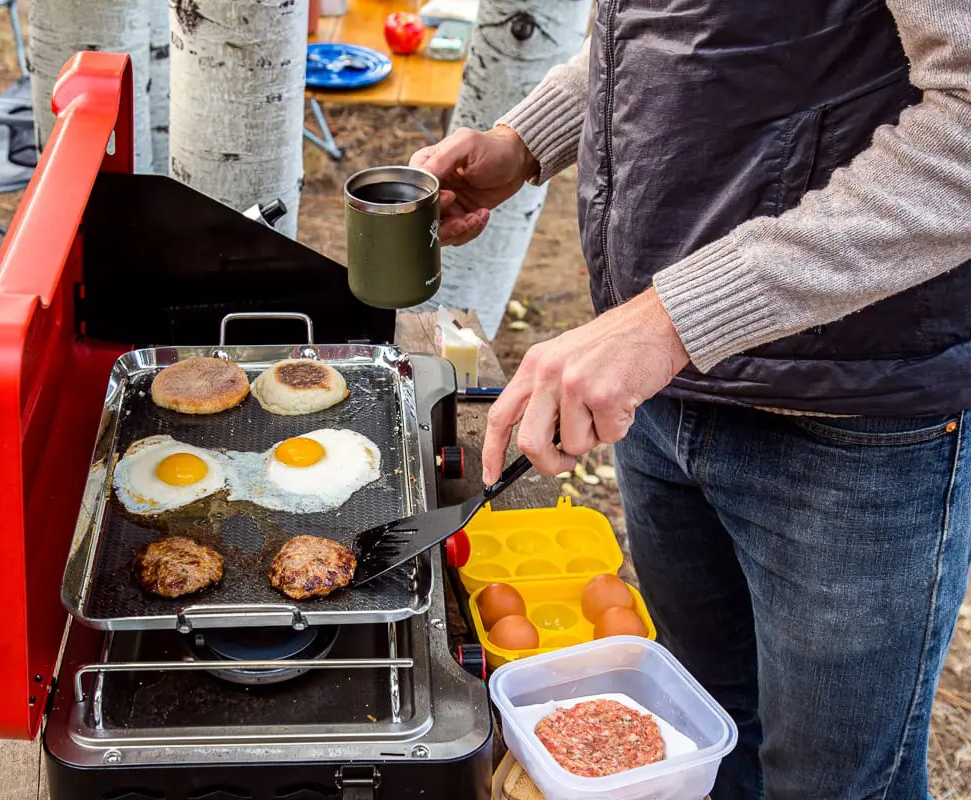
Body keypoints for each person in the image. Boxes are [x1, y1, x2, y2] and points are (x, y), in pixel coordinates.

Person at [411, 2, 971, 797]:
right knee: (704, 736)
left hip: (850, 425)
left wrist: (674, 318)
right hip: (666, 387)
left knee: (830, 783)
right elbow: (676, 38)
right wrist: (527, 140)